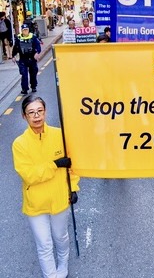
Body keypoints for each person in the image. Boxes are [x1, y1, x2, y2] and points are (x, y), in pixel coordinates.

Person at [12, 95, 80, 278]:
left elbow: (72, 167)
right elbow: (29, 175)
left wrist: (73, 187)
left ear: (45, 112)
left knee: (61, 237)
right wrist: (54, 165)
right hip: (36, 203)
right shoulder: (19, 144)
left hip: (60, 197)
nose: (36, 116)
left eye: (39, 111)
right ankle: (51, 275)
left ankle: (63, 264)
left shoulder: (60, 135)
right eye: (31, 112)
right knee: (44, 244)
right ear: (24, 116)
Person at [12, 24, 42, 94]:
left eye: (26, 30)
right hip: (23, 59)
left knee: (33, 73)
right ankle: (24, 89)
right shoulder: (18, 38)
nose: (25, 31)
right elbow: (15, 47)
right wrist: (13, 56)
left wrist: (37, 53)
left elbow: (38, 46)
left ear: (28, 30)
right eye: (24, 30)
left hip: (32, 59)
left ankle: (33, 86)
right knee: (24, 74)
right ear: (22, 30)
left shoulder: (33, 37)